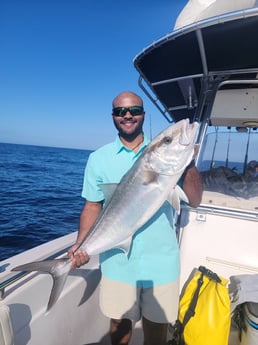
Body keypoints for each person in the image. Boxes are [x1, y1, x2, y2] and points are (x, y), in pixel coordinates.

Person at [68, 91, 203, 345]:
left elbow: (195, 200)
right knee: (119, 324)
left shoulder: (167, 162)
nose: (127, 115)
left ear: (143, 114)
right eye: (120, 111)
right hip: (118, 262)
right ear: (113, 117)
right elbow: (91, 207)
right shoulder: (98, 159)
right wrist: (80, 244)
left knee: (157, 328)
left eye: (134, 110)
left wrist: (188, 162)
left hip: (161, 263)